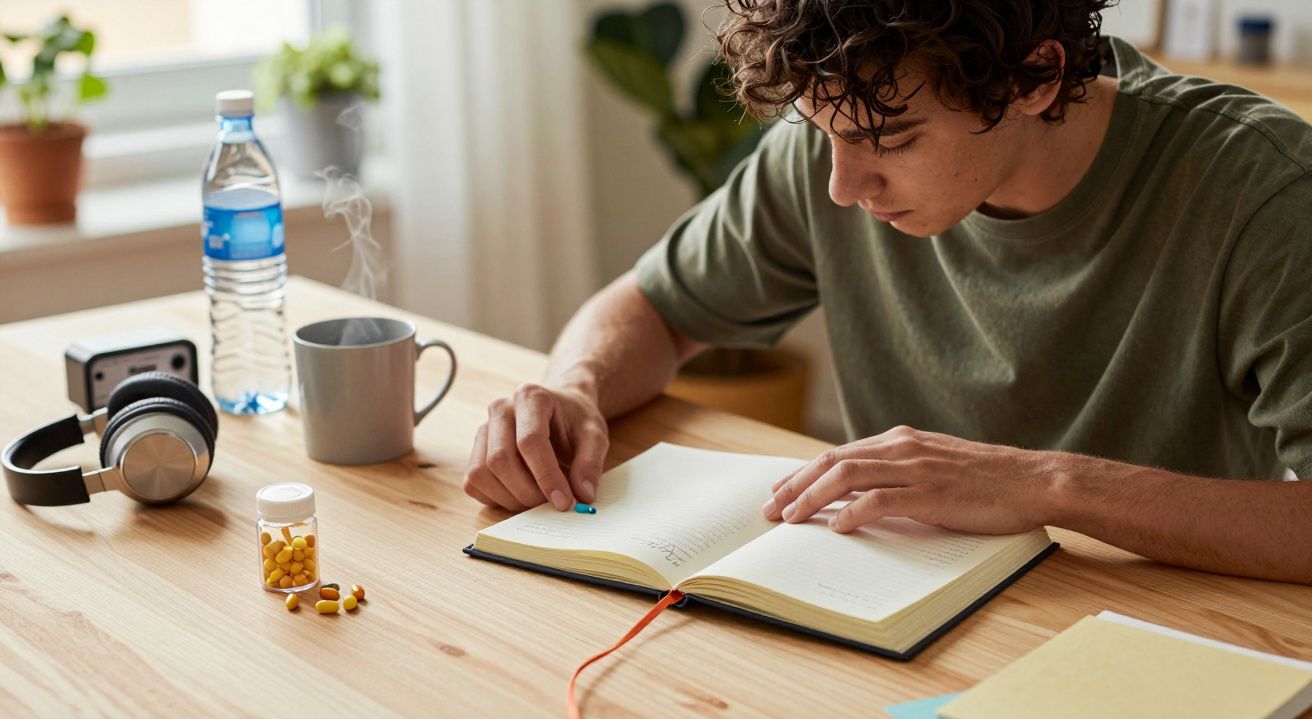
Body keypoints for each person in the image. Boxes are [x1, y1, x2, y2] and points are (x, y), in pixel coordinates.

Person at [463, 0, 1312, 584]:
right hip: (896, 608)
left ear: (1035, 78)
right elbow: (651, 306)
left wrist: (1051, 486)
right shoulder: (837, 143)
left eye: (890, 140)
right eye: (822, 133)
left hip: (1159, 628)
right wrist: (575, 385)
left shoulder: (1261, 192)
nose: (841, 186)